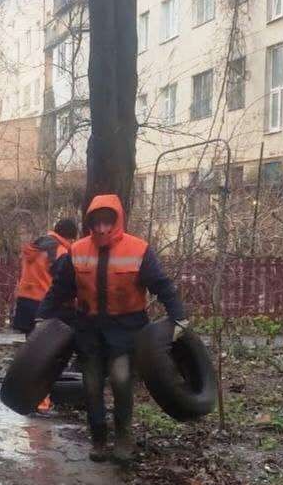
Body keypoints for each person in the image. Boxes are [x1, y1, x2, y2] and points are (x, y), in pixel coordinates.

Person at [38, 194, 188, 462]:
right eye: (96, 223)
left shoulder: (138, 250)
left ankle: (123, 437)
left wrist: (179, 318)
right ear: (90, 223)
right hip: (89, 330)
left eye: (107, 223)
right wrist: (41, 319)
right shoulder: (78, 250)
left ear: (117, 222)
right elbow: (59, 289)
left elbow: (162, 286)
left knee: (120, 381)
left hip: (126, 329)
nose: (101, 229)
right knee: (92, 385)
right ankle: (98, 439)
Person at [12, 218, 78, 412]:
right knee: (46, 357)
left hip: (25, 301)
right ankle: (41, 402)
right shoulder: (60, 250)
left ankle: (27, 396)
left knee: (31, 355)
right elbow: (63, 282)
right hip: (44, 305)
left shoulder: (36, 245)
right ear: (70, 236)